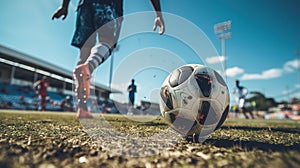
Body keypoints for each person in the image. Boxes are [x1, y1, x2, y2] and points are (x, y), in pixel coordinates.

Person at [52, 0, 165, 118]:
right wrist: (158, 15)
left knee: (84, 53)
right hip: (108, 4)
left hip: (84, 4)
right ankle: (89, 66)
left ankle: (82, 109)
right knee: (108, 42)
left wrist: (64, 6)